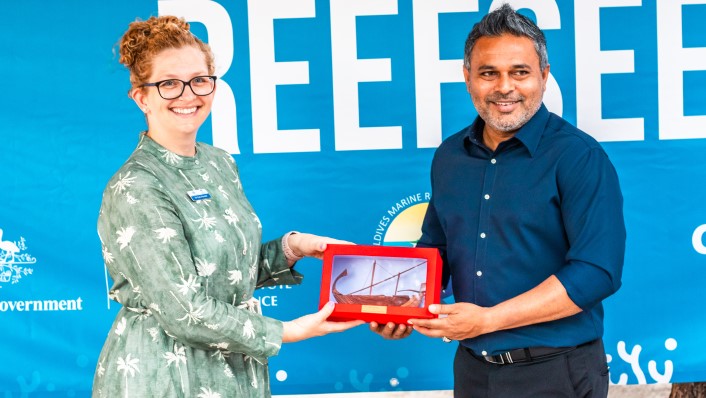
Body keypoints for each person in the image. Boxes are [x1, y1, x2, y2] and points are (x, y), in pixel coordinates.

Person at [93, 15, 362, 397]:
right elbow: (184, 310)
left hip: (236, 369)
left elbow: (220, 274)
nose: (188, 95)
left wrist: (292, 249)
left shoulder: (218, 162)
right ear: (142, 97)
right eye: (169, 84)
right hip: (165, 376)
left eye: (199, 80)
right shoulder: (136, 186)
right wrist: (288, 330)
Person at [376, 4, 626, 397]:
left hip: (557, 373)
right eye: (488, 72)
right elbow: (435, 252)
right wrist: (401, 308)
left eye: (520, 72)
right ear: (468, 77)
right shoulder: (449, 157)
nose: (504, 87)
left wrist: (488, 320)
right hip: (474, 371)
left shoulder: (578, 157)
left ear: (544, 76)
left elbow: (597, 272)